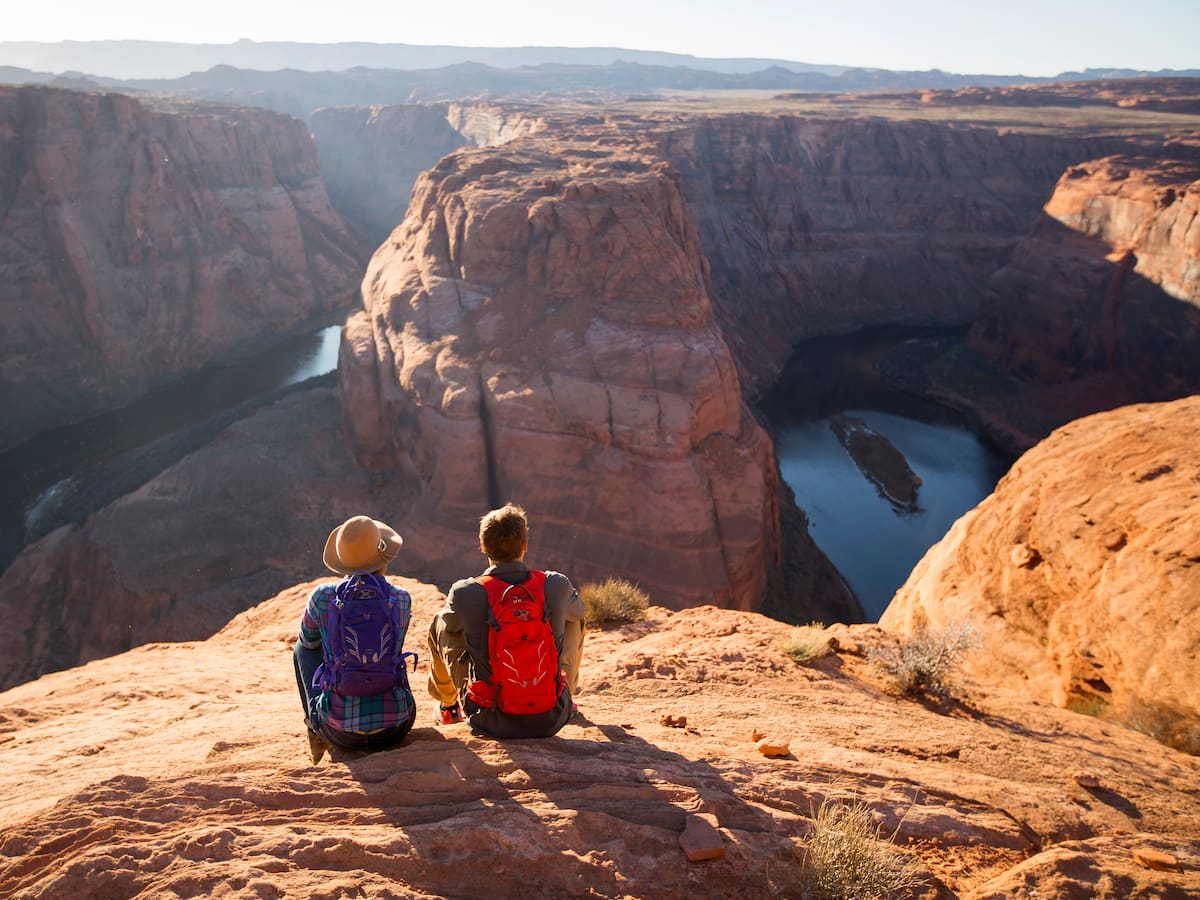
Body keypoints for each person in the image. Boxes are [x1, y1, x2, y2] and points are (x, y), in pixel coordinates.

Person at [427, 503, 585, 738]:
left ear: (483, 547)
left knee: (441, 623)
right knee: (573, 618)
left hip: (489, 718)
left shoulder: (465, 592)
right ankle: (565, 696)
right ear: (525, 545)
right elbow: (580, 612)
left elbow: (450, 627)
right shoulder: (555, 584)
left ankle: (448, 707)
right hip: (551, 716)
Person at [294, 515, 417, 763]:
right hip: (395, 728)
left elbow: (308, 642)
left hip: (339, 732)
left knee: (303, 647)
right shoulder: (401, 598)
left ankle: (316, 728)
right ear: (383, 557)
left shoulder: (322, 596)